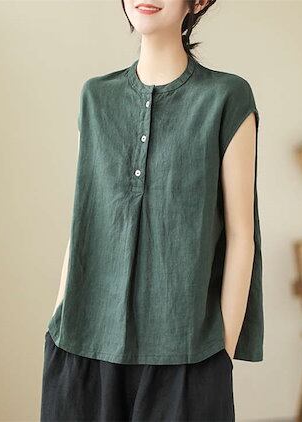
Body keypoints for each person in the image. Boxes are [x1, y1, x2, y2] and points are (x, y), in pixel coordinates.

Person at [40, 0, 264, 420]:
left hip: (187, 352)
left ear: (199, 2)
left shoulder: (227, 97)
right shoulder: (95, 97)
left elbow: (241, 235)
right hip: (83, 344)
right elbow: (85, 219)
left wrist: (221, 356)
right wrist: (59, 317)